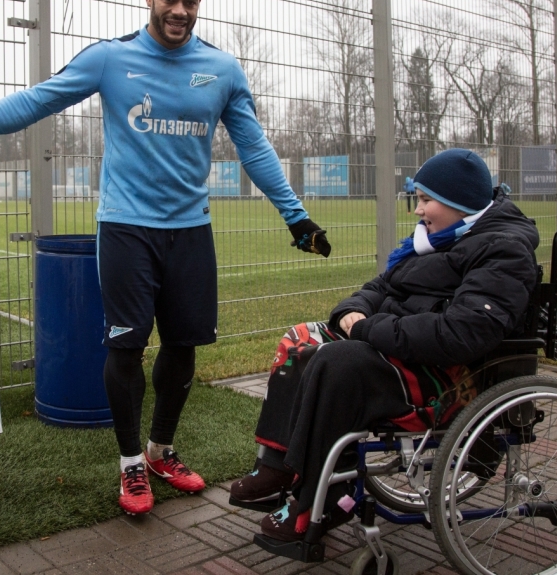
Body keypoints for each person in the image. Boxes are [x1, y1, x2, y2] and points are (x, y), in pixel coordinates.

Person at [0, 0, 332, 516]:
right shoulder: (111, 59)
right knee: (127, 347)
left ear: (199, 2)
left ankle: (162, 450)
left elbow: (253, 146)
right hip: (125, 229)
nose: (180, 11)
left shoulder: (223, 70)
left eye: (190, 2)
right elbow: (39, 99)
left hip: (190, 231)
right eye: (170, 0)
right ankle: (130, 465)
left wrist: (295, 215)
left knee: (184, 348)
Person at [227, 149, 540, 545]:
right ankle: (276, 465)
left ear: (460, 203)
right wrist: (352, 312)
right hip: (398, 349)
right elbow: (381, 288)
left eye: (426, 200)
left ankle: (317, 504)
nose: (417, 210)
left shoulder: (503, 250)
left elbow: (462, 334)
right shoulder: (433, 239)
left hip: (446, 377)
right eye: (418, 199)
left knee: (337, 362)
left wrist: (370, 329)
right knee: (300, 340)